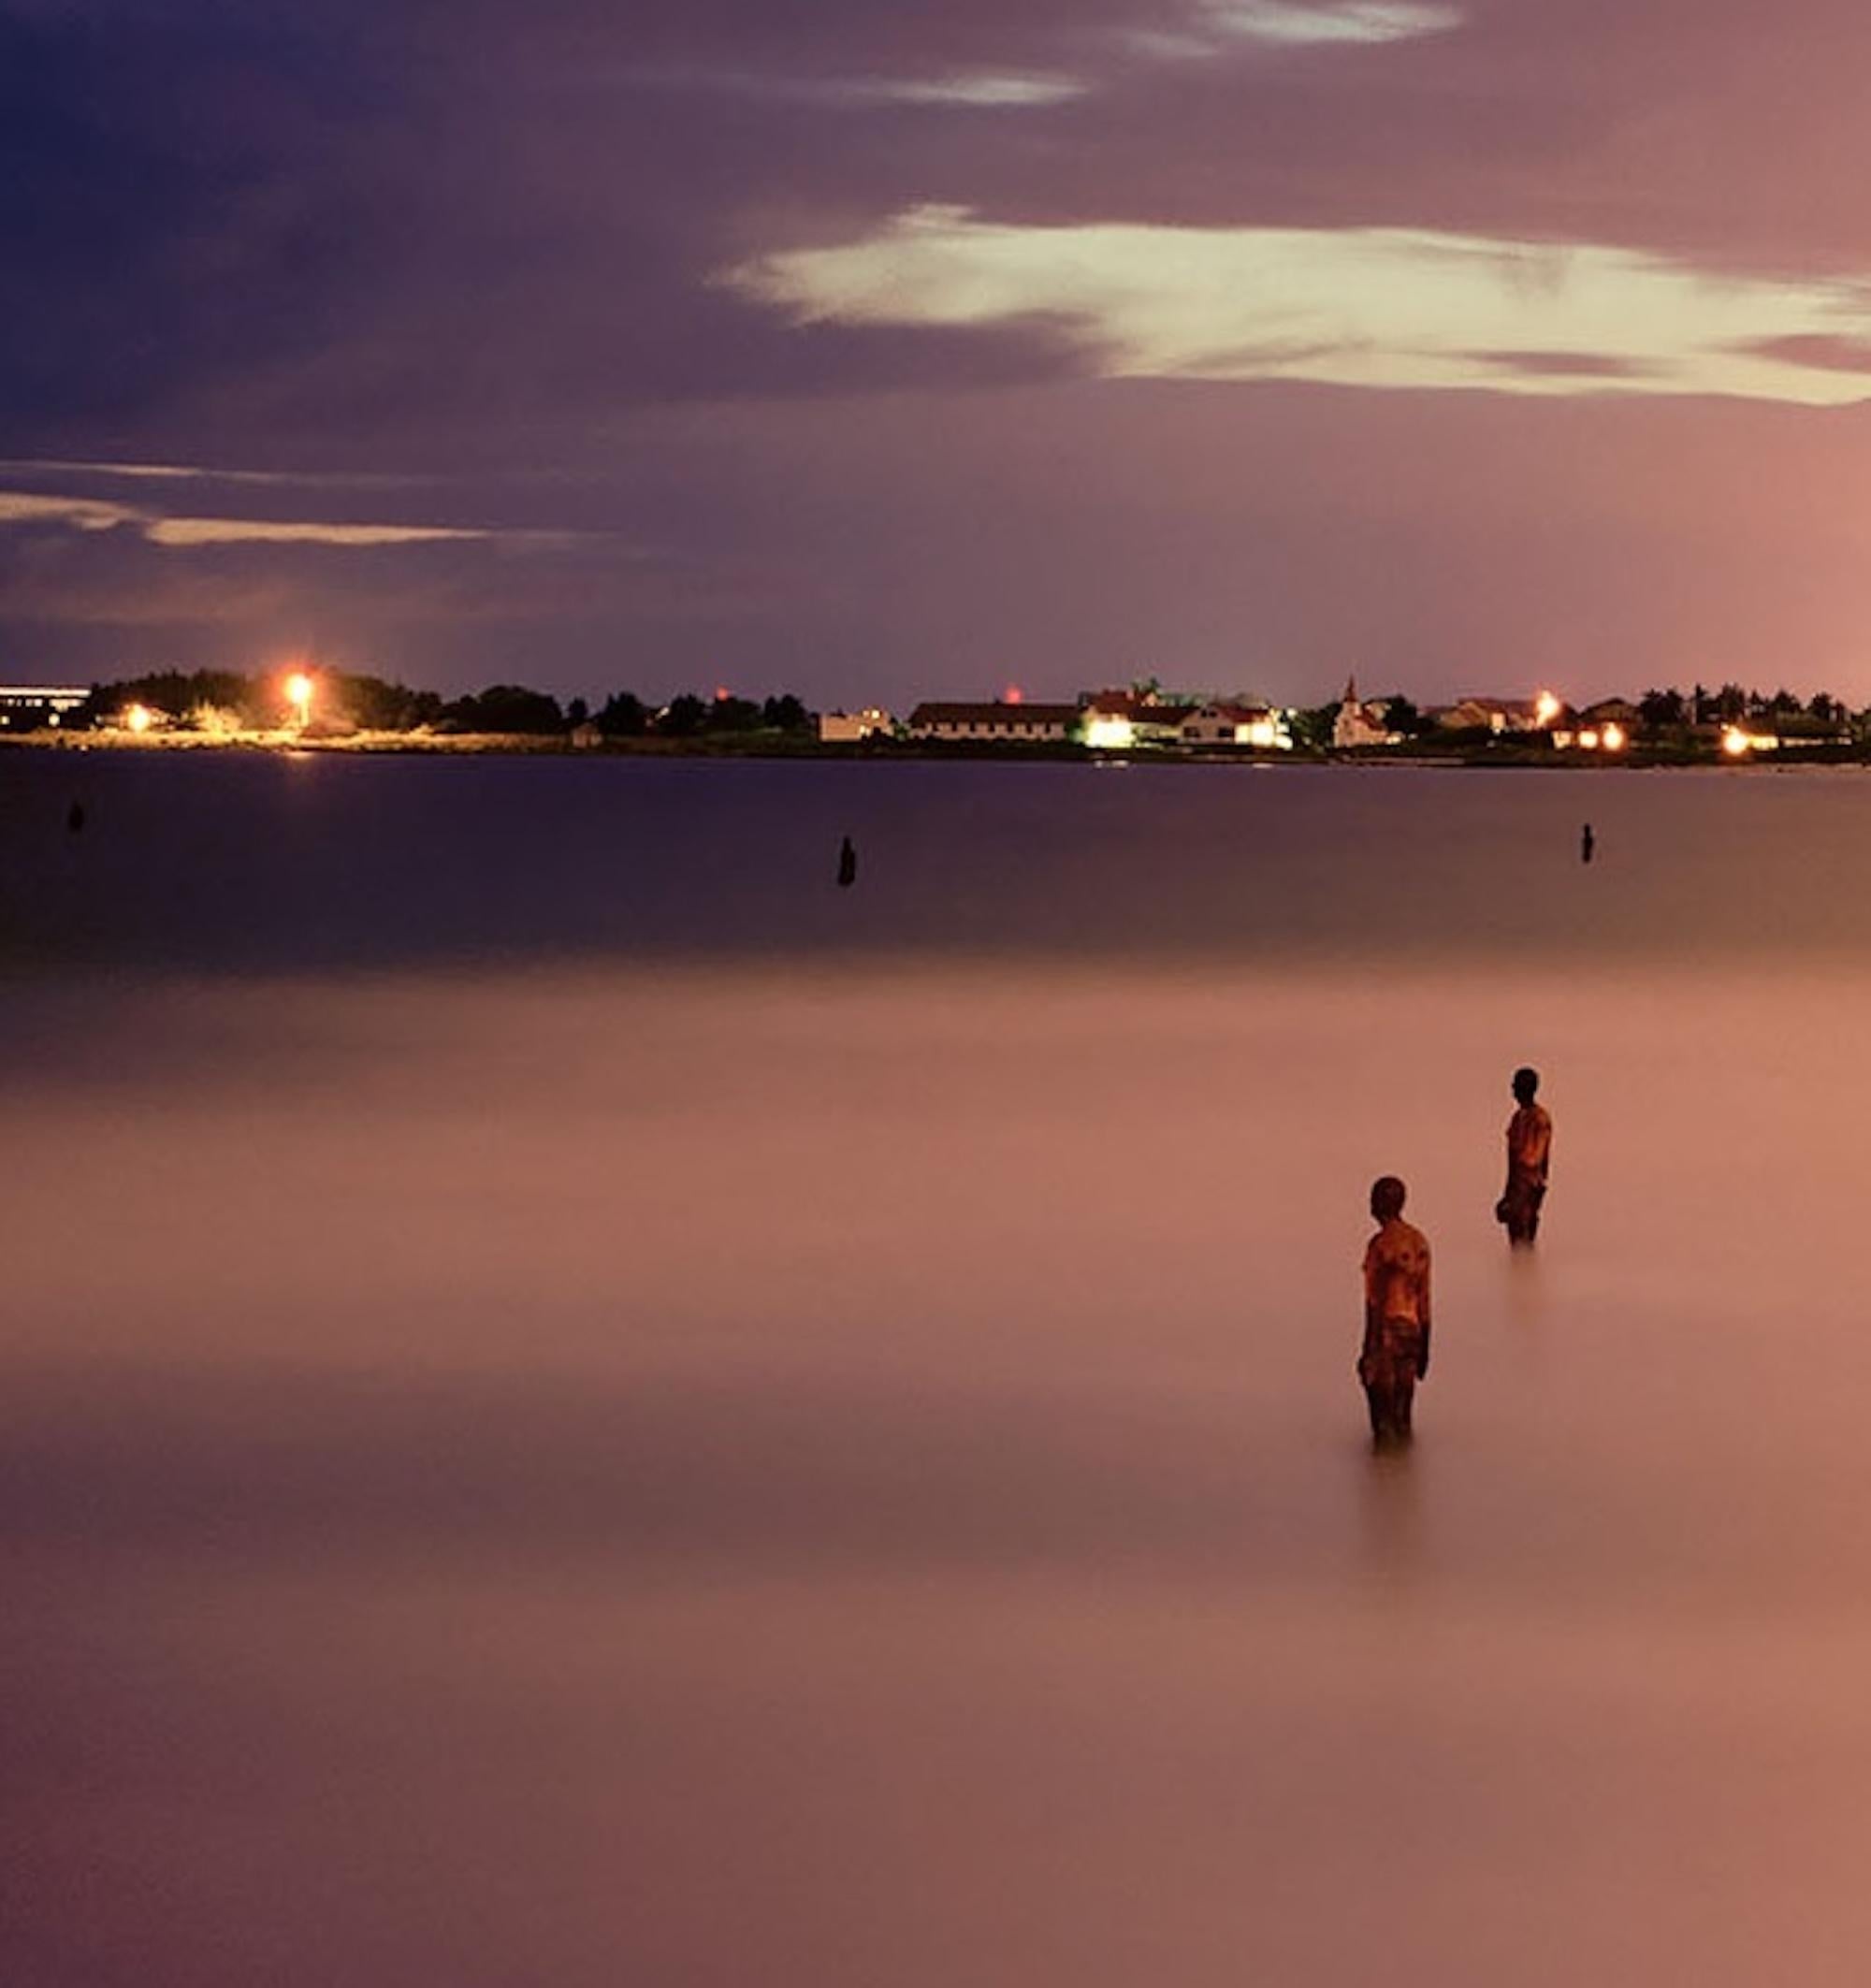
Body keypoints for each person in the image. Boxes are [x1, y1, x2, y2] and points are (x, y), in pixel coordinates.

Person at [1359, 1176, 1431, 1444]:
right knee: (1404, 1414)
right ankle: (1404, 1465)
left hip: (1386, 1332)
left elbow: (1374, 1301)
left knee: (1382, 1416)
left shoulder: (1379, 1245)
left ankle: (1385, 1464)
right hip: (1412, 1332)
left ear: (1380, 1204)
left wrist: (1368, 1351)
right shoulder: (1419, 1242)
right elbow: (1424, 1299)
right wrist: (1425, 1350)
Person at [1496, 1066, 1553, 1246]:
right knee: (1515, 1236)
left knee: (1524, 1236)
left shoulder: (1539, 1119)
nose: (1513, 1090)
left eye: (1517, 1086)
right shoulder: (1518, 1118)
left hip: (1530, 1187)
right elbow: (1512, 1164)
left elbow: (1534, 1158)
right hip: (1516, 1187)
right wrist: (1507, 1194)